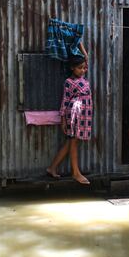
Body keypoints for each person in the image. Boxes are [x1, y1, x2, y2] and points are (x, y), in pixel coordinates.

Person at [46, 55, 92, 185]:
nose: (83, 70)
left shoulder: (82, 78)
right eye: (79, 68)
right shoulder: (68, 82)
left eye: (84, 68)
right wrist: (63, 120)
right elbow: (65, 101)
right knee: (73, 142)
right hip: (74, 114)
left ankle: (52, 168)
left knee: (71, 143)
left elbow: (85, 57)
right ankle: (76, 173)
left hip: (84, 114)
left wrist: (83, 52)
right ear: (72, 68)